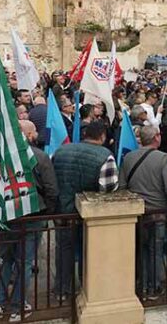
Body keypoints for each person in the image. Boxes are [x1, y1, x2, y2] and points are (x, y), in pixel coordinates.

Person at [0, 119, 58, 321]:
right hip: (31, 219)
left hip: (5, 218)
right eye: (33, 132)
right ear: (29, 135)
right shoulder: (40, 157)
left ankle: (0, 302)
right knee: (25, 262)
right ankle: (17, 305)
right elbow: (52, 190)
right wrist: (46, 214)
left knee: (5, 261)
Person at [52, 121, 118, 300]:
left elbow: (51, 180)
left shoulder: (61, 151)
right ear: (103, 136)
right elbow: (108, 188)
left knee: (63, 249)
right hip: (89, 213)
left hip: (62, 210)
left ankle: (62, 290)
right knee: (88, 249)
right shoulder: (106, 155)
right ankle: (86, 286)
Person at [120, 126, 167, 299]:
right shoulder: (163, 158)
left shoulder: (128, 157)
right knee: (155, 250)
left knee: (140, 249)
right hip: (158, 212)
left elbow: (122, 186)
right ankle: (154, 287)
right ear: (156, 137)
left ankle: (141, 285)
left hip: (137, 213)